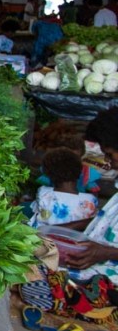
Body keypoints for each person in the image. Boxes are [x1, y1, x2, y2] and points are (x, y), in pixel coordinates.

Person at [59, 108, 118, 281]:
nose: (107, 160)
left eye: (109, 154)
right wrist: (69, 229)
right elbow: (107, 221)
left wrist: (104, 252)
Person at [29, 148, 98, 228]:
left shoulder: (43, 192)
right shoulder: (90, 200)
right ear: (80, 172)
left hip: (42, 236)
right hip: (74, 239)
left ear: (47, 174)